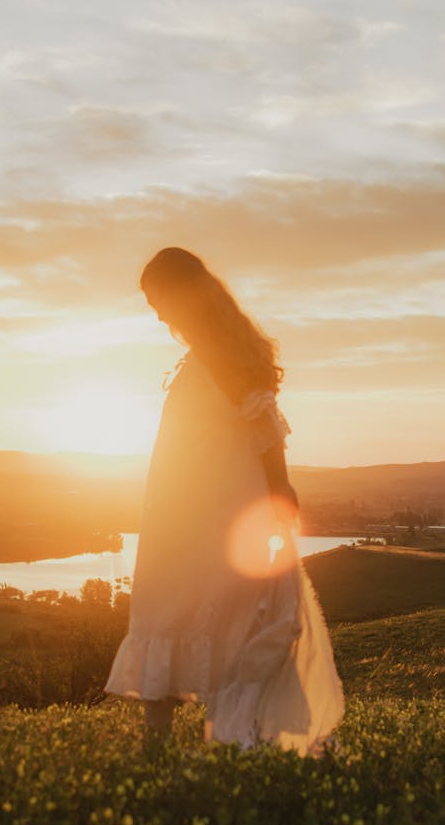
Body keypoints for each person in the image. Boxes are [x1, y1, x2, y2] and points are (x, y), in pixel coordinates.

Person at [104, 247, 344, 756]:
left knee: (202, 613)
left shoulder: (220, 353)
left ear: (181, 292)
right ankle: (166, 742)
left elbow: (266, 432)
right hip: (185, 506)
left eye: (158, 300)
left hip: (216, 509)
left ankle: (199, 740)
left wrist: (280, 493)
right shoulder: (205, 352)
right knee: (167, 611)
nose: (157, 313)